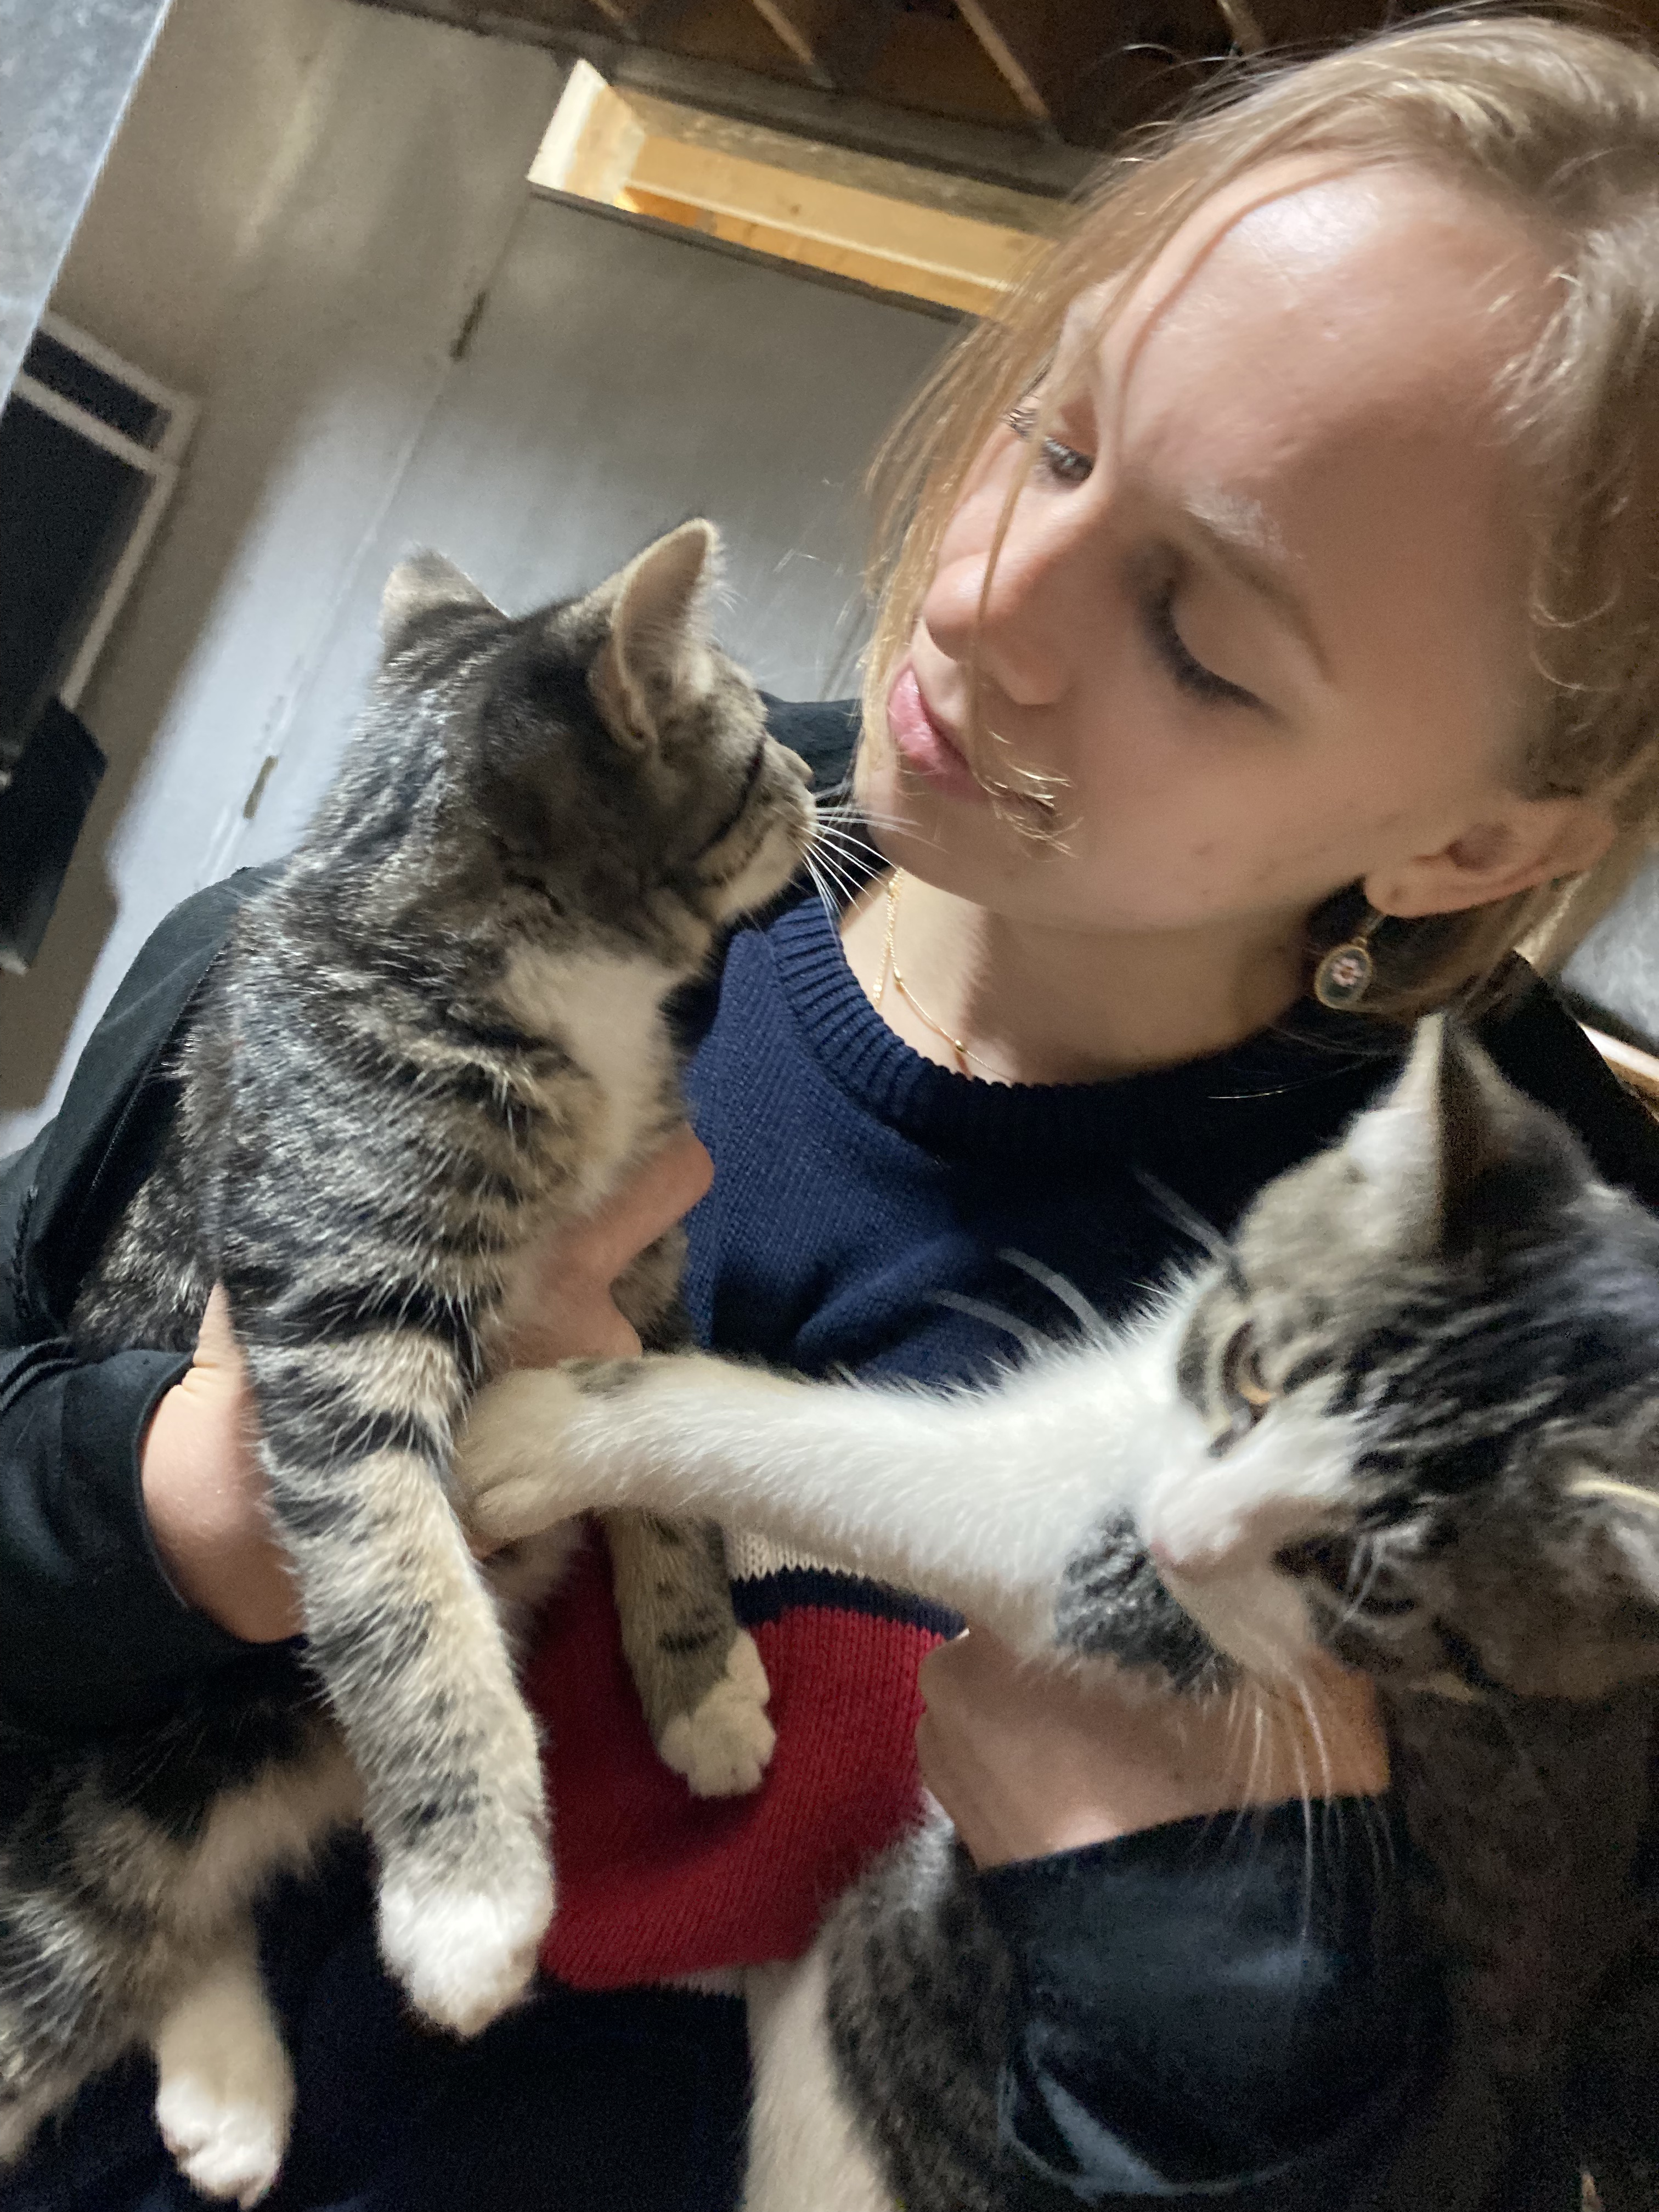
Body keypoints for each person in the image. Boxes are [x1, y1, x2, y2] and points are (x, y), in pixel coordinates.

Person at [7, 12, 1659, 2208]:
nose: (979, 606)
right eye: (1057, 436)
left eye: (1198, 635)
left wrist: (1205, 1959)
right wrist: (177, 1503)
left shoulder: (1543, 1377)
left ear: (1470, 843)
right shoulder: (478, 868)